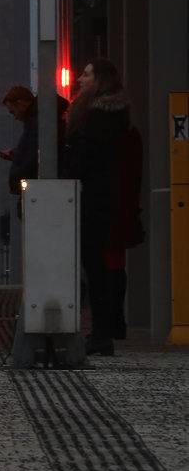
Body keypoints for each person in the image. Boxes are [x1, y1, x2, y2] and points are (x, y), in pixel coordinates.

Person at [61, 58, 131, 356]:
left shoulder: (102, 115)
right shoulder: (98, 111)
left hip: (93, 196)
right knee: (94, 263)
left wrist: (64, 174)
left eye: (86, 75)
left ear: (100, 79)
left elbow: (88, 153)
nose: (80, 79)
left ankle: (102, 333)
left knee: (94, 263)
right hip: (92, 193)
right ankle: (102, 332)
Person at [105, 122, 145, 340]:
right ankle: (115, 323)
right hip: (120, 210)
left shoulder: (109, 134)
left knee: (108, 269)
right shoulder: (129, 133)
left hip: (108, 211)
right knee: (114, 267)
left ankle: (111, 324)